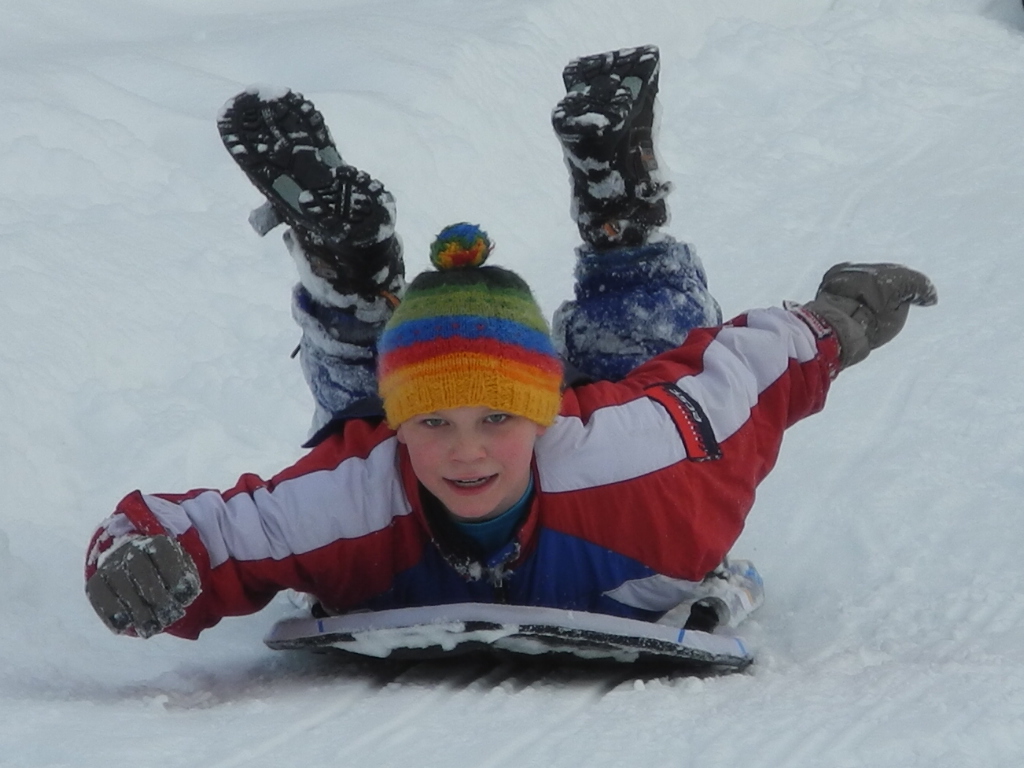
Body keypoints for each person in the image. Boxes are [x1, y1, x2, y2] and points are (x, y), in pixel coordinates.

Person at [84, 46, 936, 641]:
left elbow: (738, 375)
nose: (465, 453)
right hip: (386, 433)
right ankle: (356, 274)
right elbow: (199, 531)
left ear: (543, 412)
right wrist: (134, 560)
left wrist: (838, 318)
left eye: (495, 420)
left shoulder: (640, 464)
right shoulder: (359, 491)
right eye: (433, 425)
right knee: (356, 418)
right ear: (403, 428)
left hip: (589, 418)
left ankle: (616, 209)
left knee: (651, 352)